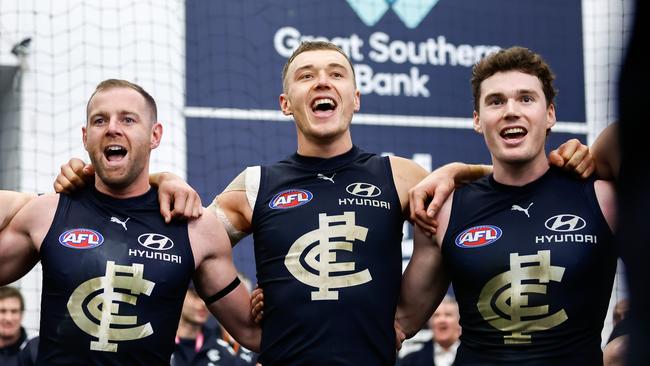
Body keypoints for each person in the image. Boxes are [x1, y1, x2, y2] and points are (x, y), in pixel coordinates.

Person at [55, 43, 593, 365]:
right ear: (286, 103)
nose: (323, 81)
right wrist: (162, 174)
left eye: (336, 73)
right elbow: (181, 237)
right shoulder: (254, 184)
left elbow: (492, 188)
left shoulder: (400, 175)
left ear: (355, 99)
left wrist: (457, 168)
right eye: (306, 75)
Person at [0, 79, 260, 365]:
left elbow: (252, 331)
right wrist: (27, 200)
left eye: (128, 119)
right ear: (85, 137)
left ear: (155, 135)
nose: (112, 128)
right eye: (100, 120)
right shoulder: (46, 212)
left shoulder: (196, 227)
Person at [397, 47, 617, 365]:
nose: (510, 111)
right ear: (477, 119)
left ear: (550, 114)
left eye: (526, 98)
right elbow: (401, 322)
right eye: (496, 101)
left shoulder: (602, 198)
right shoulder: (443, 211)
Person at [171, 285, 241, 366]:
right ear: (179, 295)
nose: (203, 303)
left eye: (207, 297)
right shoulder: (157, 345)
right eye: (196, 295)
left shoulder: (224, 352)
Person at [398, 296, 461, 366]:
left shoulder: (473, 357)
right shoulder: (409, 361)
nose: (442, 320)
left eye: (448, 315)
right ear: (430, 323)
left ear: (460, 322)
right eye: (436, 315)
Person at [0, 286, 31, 366]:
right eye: (2, 311)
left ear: (21, 315)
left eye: (14, 311)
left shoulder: (36, 351)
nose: (8, 319)